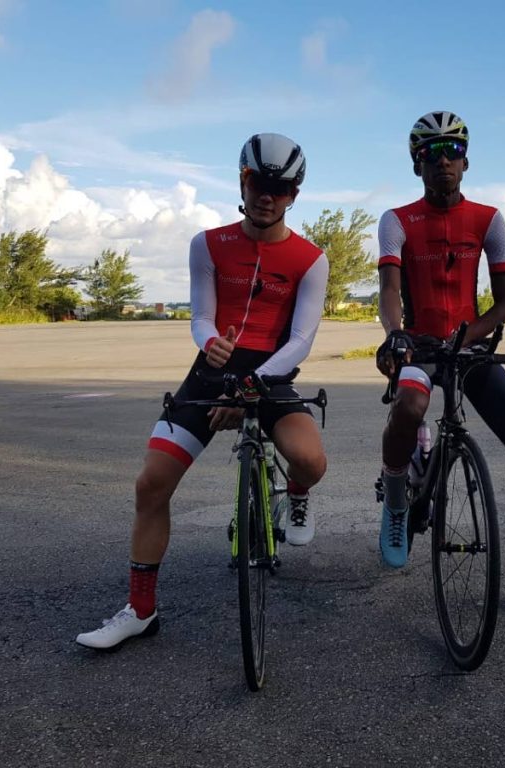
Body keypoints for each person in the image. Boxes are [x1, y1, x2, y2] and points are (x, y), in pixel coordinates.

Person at [77, 133, 330, 649]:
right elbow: (201, 316)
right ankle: (140, 610)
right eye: (260, 182)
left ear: (294, 195)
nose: (268, 195)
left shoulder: (310, 259)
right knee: (151, 484)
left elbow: (302, 339)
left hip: (272, 372)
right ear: (243, 180)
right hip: (213, 368)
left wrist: (253, 386)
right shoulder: (208, 244)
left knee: (311, 462)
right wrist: (212, 344)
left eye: (281, 187)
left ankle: (294, 496)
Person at [374, 111, 505, 615]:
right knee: (407, 407)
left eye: (452, 153)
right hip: (420, 348)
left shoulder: (488, 220)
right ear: (416, 164)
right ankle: (398, 502)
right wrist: (396, 335)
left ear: (466, 161)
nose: (442, 163)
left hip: (471, 349)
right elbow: (388, 291)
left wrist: (467, 335)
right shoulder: (396, 221)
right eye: (430, 154)